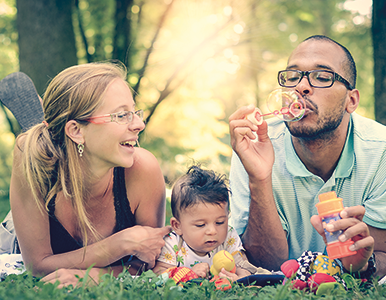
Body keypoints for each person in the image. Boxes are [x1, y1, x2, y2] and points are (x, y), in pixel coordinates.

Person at [228, 35, 386, 280]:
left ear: (352, 100)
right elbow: (266, 264)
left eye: (322, 77)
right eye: (293, 76)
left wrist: (362, 265)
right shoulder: (254, 145)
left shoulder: (385, 150)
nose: (301, 87)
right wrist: (259, 178)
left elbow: (385, 256)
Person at [9, 62, 171, 288]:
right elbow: (37, 266)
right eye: (122, 115)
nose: (139, 125)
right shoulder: (30, 161)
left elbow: (149, 261)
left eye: (134, 112)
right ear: (76, 130)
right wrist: (117, 246)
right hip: (17, 232)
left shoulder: (143, 170)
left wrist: (100, 275)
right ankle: (43, 131)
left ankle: (49, 125)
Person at [153, 165, 251, 281]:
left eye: (220, 222)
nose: (212, 231)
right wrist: (188, 273)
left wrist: (239, 277)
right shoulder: (172, 244)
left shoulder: (229, 238)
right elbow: (159, 275)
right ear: (177, 226)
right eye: (201, 225)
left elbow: (243, 266)